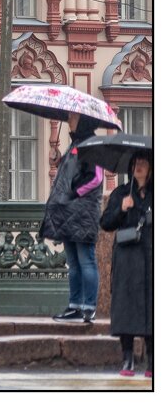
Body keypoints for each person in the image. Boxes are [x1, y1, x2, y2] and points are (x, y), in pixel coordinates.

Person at [39, 113, 104, 323]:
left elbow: (96, 177)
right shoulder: (75, 144)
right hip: (68, 212)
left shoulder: (92, 144)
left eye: (74, 116)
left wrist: (75, 193)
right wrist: (58, 160)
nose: (70, 119)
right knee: (74, 263)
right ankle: (75, 306)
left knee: (86, 260)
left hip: (83, 212)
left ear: (83, 121)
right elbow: (71, 173)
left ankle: (89, 307)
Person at [99, 150, 152, 377]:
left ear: (151, 167)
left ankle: (153, 361)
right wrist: (121, 208)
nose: (139, 166)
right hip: (128, 260)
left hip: (151, 257)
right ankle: (127, 359)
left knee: (152, 307)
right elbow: (106, 223)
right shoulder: (121, 192)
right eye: (136, 163)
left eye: (143, 162)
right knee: (126, 308)